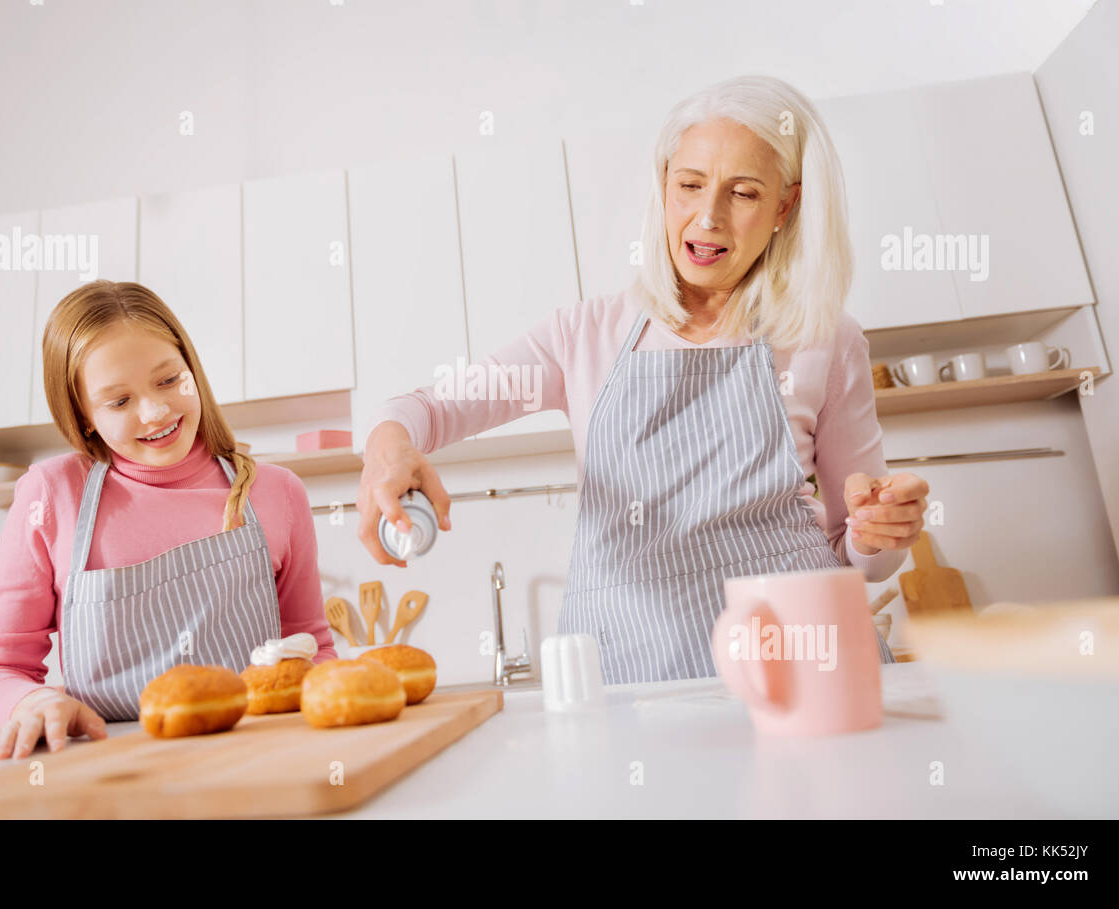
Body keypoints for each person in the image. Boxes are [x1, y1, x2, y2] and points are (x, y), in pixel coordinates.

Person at [356, 75, 928, 685]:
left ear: (785, 206)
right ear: (663, 187)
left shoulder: (825, 337)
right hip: (633, 683)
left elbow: (856, 551)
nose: (707, 217)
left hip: (805, 675)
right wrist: (388, 450)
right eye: (689, 185)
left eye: (743, 193)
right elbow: (428, 410)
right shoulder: (583, 336)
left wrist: (881, 533)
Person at [0, 281, 336, 758]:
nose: (156, 412)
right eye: (119, 401)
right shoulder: (51, 495)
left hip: (257, 760)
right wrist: (33, 701)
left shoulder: (277, 493)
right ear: (84, 415)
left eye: (168, 380)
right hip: (110, 773)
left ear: (191, 369)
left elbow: (313, 650)